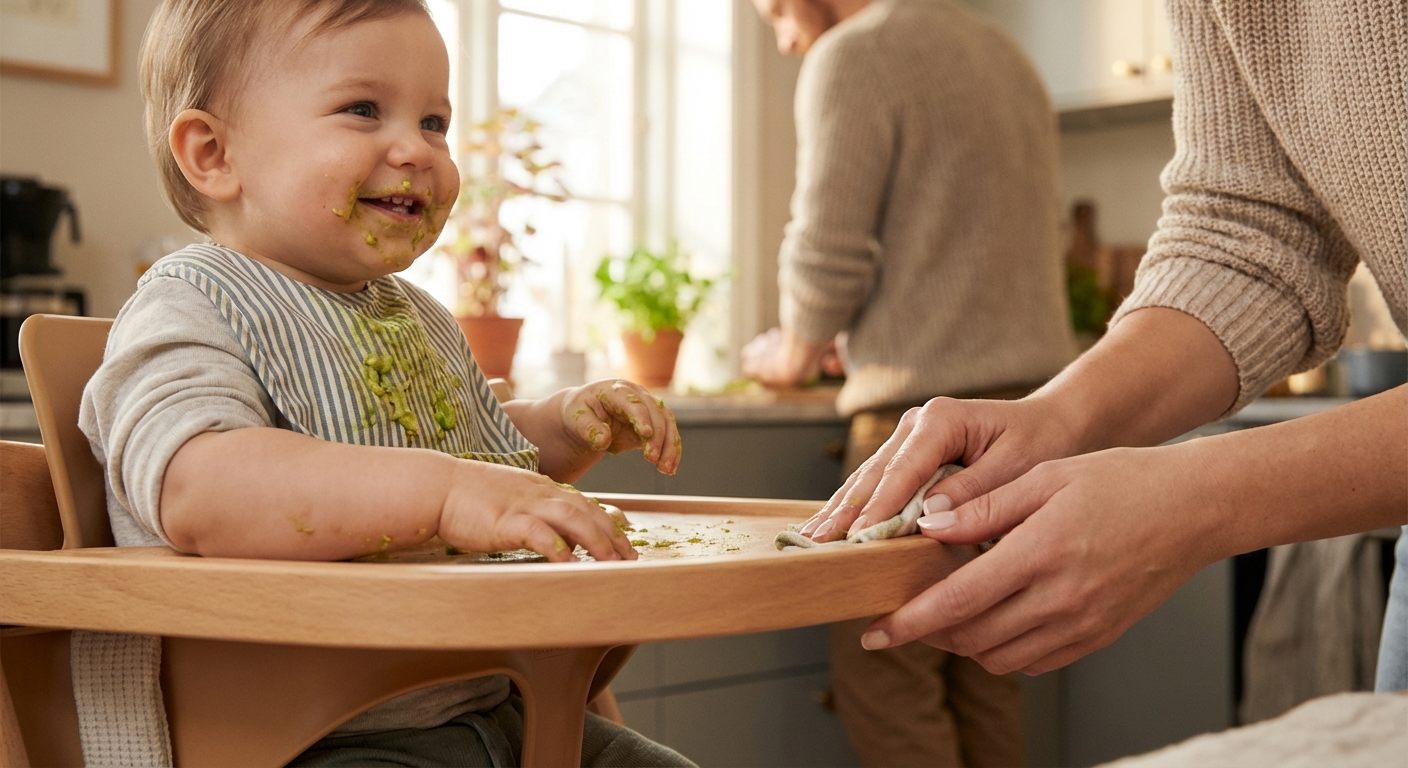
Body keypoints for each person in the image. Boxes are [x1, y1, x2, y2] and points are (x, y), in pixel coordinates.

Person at [74, 1, 695, 765]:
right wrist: (444, 495)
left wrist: (564, 427)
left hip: (493, 703)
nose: (418, 149)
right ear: (213, 154)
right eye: (363, 110)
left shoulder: (419, 319)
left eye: (434, 122)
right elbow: (198, 487)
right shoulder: (193, 303)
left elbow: (494, 467)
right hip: (310, 735)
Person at [800, 0, 1407, 702]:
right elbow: (1254, 229)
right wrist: (1060, 416)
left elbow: (823, 265)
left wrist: (1197, 498)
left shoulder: (853, 58)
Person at [741, 0, 1077, 764]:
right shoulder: (1007, 59)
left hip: (919, 430)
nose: (786, 40)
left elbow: (828, 248)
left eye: (774, 14)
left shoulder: (855, 53)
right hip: (1026, 428)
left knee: (886, 683)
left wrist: (793, 350)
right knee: (988, 671)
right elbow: (974, 248)